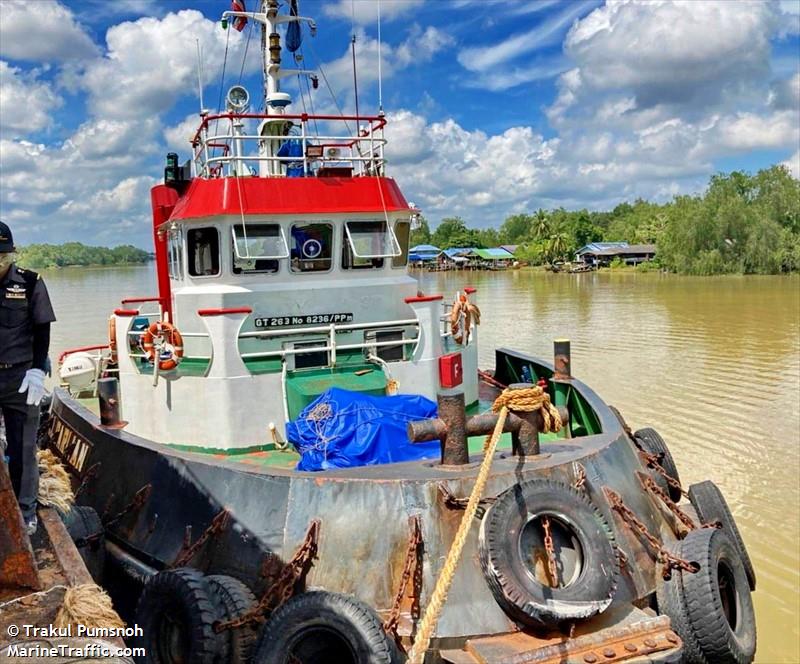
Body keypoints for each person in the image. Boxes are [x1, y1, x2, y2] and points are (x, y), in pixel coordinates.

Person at [0, 221, 56, 535]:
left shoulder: (31, 284)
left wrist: (37, 370)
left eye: (3, 259)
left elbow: (42, 328)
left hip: (21, 378)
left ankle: (25, 512)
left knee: (24, 448)